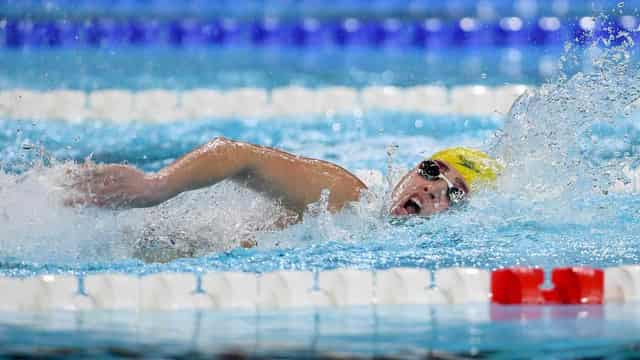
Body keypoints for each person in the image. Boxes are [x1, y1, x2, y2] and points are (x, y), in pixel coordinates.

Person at [67, 137, 500, 229]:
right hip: (136, 230)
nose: (431, 188)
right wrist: (154, 187)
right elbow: (237, 155)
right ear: (409, 170)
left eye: (452, 193)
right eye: (430, 171)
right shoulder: (349, 198)